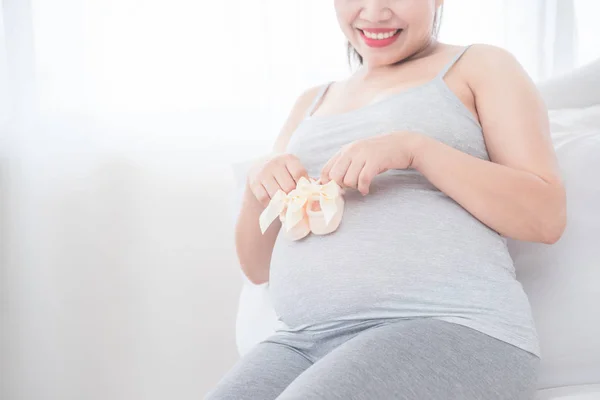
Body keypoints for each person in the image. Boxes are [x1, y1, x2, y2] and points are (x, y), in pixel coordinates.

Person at [207, 0, 566, 399]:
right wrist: (259, 187)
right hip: (304, 342)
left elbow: (545, 216)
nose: (375, 12)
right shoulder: (310, 102)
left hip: (451, 326)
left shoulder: (479, 66)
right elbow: (259, 269)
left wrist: (416, 150)